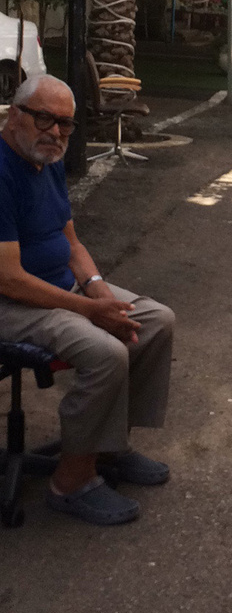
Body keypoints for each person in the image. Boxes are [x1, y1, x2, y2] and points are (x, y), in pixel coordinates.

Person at [0, 75, 174, 526]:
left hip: (60, 290)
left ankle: (109, 448)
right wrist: (90, 311)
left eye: (65, 124)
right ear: (14, 115)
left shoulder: (47, 160)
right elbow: (10, 279)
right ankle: (71, 483)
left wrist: (100, 292)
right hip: (13, 304)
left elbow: (72, 243)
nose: (56, 132)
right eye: (44, 118)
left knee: (154, 320)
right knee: (105, 351)